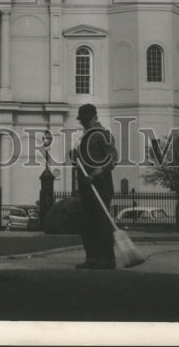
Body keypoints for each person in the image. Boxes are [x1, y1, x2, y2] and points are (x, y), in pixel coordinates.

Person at [73, 103, 117, 270]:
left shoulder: (103, 134)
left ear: (92, 117)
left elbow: (112, 158)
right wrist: (76, 157)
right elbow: (85, 160)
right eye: (81, 120)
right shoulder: (85, 137)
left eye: (85, 119)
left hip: (101, 185)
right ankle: (91, 258)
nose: (83, 123)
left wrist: (95, 174)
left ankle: (107, 259)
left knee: (101, 223)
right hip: (86, 187)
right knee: (87, 223)